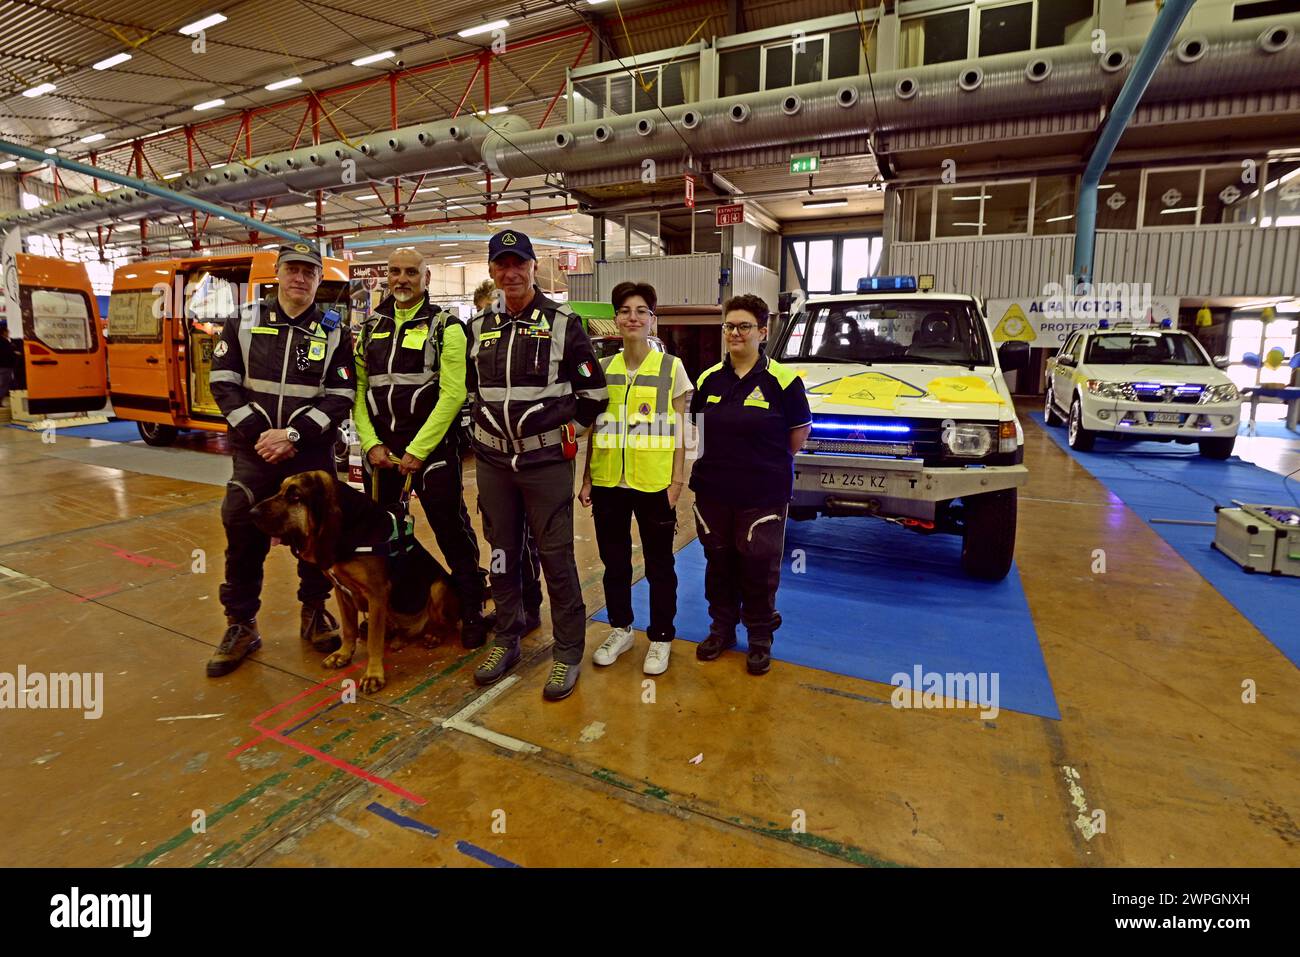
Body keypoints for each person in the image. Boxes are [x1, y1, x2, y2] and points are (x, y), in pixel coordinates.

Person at [466, 229, 607, 700]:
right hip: (492, 464)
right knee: (501, 554)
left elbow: (593, 396)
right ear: (491, 270)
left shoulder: (564, 322)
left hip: (545, 465)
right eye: (502, 264)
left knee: (556, 556)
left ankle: (567, 650)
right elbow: (470, 391)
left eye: (519, 263)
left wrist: (560, 434)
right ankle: (507, 637)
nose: (511, 272)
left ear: (532, 267)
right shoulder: (479, 327)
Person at [206, 243, 355, 677]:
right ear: (278, 272)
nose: (300, 279)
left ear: (318, 279)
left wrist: (292, 435)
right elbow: (222, 382)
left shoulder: (334, 330)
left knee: (319, 532)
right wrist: (261, 435)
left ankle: (314, 612)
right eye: (293, 269)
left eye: (309, 272)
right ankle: (241, 625)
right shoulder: (242, 320)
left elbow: (341, 394)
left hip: (307, 452)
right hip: (255, 454)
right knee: (241, 524)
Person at [352, 247, 491, 647]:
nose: (402, 279)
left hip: (431, 454)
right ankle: (394, 613)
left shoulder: (446, 327)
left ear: (426, 279)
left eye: (411, 272)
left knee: (452, 531)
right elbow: (359, 391)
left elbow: (452, 394)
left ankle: (470, 607)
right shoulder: (369, 327)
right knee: (381, 540)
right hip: (381, 456)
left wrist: (418, 450)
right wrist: (371, 443)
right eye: (395, 271)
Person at [688, 294, 812, 675]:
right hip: (714, 491)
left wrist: (763, 464)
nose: (735, 333)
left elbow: (798, 434)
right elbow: (699, 430)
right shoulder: (709, 379)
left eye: (744, 326)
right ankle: (721, 629)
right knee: (719, 562)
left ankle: (759, 638)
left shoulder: (784, 381)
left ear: (763, 331)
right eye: (729, 326)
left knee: (759, 564)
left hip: (764, 494)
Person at [578, 281, 691, 676]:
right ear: (615, 319)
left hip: (655, 484)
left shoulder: (671, 367)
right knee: (614, 563)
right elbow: (596, 427)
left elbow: (681, 429)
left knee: (660, 565)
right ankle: (621, 628)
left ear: (652, 319)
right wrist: (589, 477)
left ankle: (660, 637)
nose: (633, 317)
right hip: (609, 482)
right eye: (625, 310)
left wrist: (677, 481)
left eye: (641, 310)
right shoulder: (603, 369)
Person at [473, 279, 542, 617]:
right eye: (488, 308)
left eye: (498, 305)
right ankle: (507, 607)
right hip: (492, 462)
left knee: (524, 542)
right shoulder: (479, 343)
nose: (496, 313)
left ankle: (530, 604)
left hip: (529, 465)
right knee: (498, 542)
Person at [0, 320, 15, 406]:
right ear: (4, 332)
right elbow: (7, 353)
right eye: (7, 331)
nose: (9, 332)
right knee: (4, 385)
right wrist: (14, 353)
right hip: (5, 366)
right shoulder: (4, 342)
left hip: (2, 366)